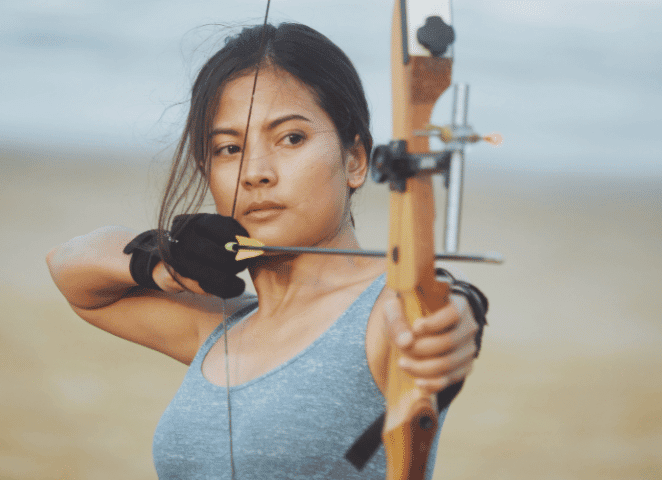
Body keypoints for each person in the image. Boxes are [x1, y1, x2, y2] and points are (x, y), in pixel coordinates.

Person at [47, 22, 487, 479]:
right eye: (229, 148)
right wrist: (162, 261)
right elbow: (67, 266)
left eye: (291, 138)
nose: (254, 172)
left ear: (355, 160)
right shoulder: (219, 327)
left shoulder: (384, 313)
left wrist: (458, 313)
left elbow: (438, 314)